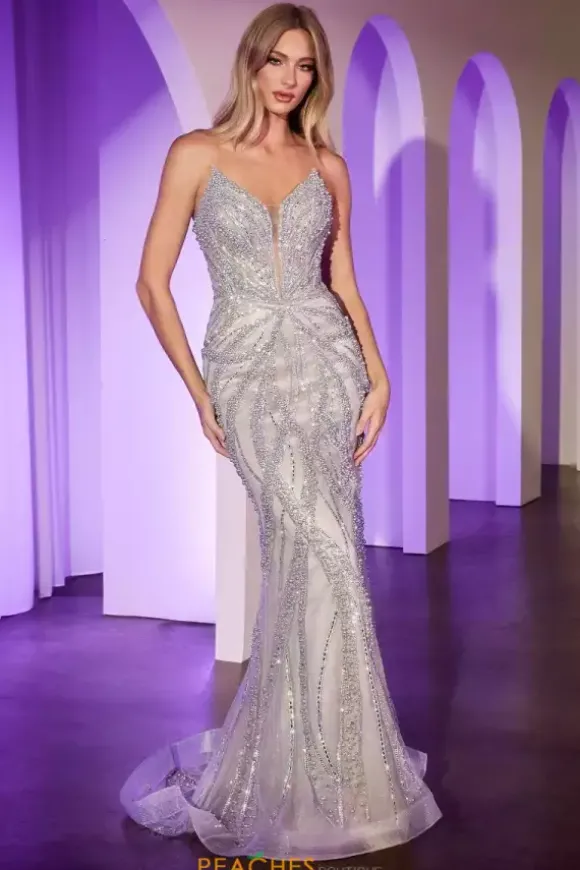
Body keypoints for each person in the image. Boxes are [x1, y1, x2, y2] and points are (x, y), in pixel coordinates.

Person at [120, 2, 441, 859]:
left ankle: (334, 773)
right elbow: (152, 284)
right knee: (317, 547)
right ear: (251, 63)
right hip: (246, 368)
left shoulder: (326, 165)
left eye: (305, 66)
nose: (291, 79)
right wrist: (198, 393)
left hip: (327, 365)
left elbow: (343, 277)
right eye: (278, 61)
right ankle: (301, 772)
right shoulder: (195, 153)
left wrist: (379, 373)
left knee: (323, 559)